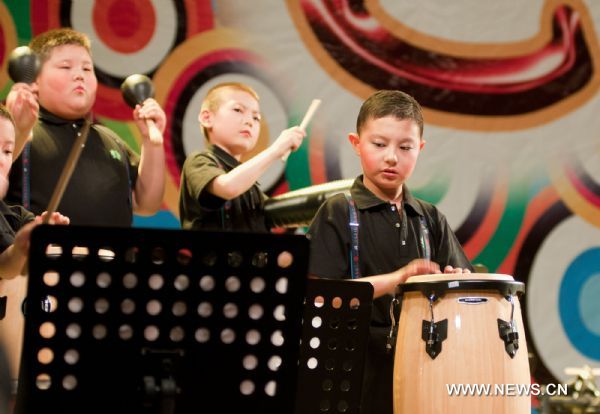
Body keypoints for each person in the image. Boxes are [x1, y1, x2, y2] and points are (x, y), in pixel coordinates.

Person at [307, 90, 473, 413]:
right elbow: (318, 297)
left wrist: (456, 284)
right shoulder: (338, 211)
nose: (392, 157)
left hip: (423, 368)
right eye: (379, 145)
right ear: (356, 144)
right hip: (348, 371)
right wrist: (397, 279)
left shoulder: (429, 217)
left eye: (405, 147)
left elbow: (462, 287)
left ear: (420, 149)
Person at [5, 27, 166, 227]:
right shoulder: (15, 129)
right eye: (65, 67)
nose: (79, 75)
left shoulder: (111, 139)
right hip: (39, 255)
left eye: (87, 69)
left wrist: (153, 143)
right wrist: (18, 131)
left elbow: (147, 204)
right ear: (34, 78)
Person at [179, 82, 305, 231]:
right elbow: (227, 187)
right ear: (207, 118)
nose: (249, 121)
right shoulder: (199, 160)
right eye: (238, 110)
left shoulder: (250, 188)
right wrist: (275, 150)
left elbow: (283, 215)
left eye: (256, 118)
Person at [0, 105, 68, 279]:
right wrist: (17, 251)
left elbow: (10, 267)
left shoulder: (17, 218)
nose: (2, 160)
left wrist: (42, 235)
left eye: (7, 151)